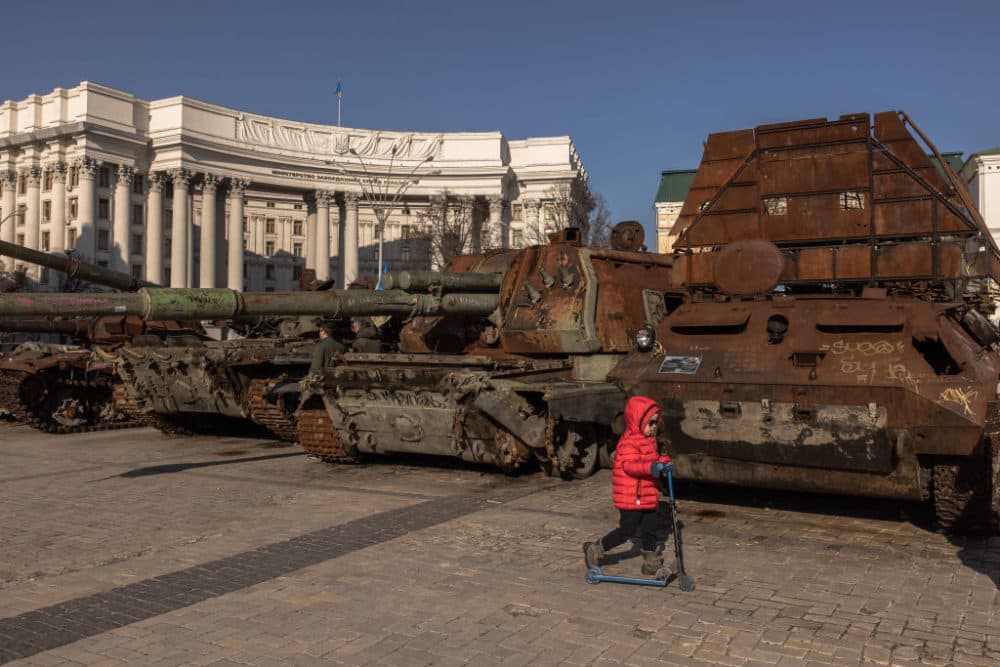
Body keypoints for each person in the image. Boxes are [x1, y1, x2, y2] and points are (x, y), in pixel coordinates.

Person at [583, 395, 671, 575]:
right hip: (631, 496)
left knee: (650, 529)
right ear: (637, 421)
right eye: (650, 423)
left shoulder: (649, 440)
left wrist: (664, 462)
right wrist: (651, 467)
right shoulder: (628, 442)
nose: (653, 427)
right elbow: (630, 466)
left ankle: (650, 563)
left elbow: (652, 459)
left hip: (647, 494)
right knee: (627, 530)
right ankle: (597, 548)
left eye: (655, 423)